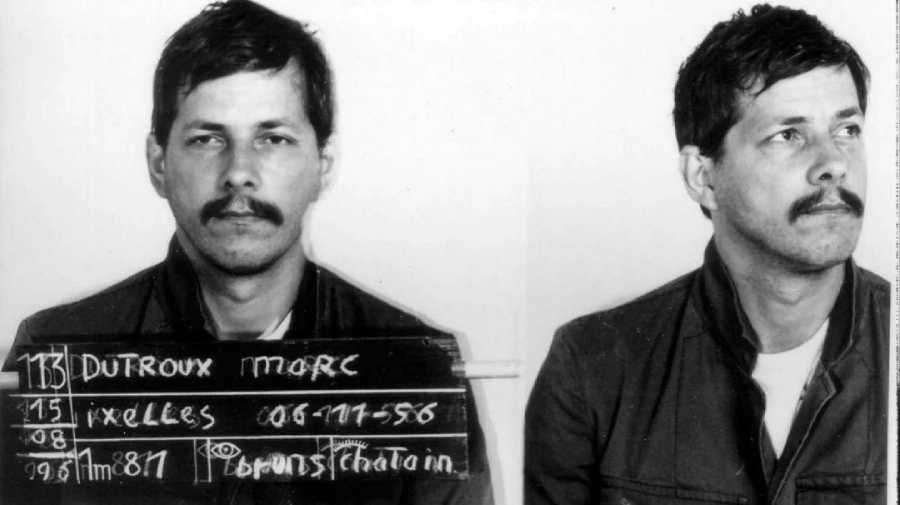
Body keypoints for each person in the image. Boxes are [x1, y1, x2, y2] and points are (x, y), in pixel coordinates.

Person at [2, 1, 492, 503]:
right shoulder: (54, 355)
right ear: (157, 163)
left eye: (273, 138)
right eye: (207, 138)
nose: (239, 171)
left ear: (323, 164)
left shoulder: (416, 369)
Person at [525, 4, 887, 504]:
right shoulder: (591, 372)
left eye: (848, 130)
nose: (833, 164)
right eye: (788, 135)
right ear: (703, 176)